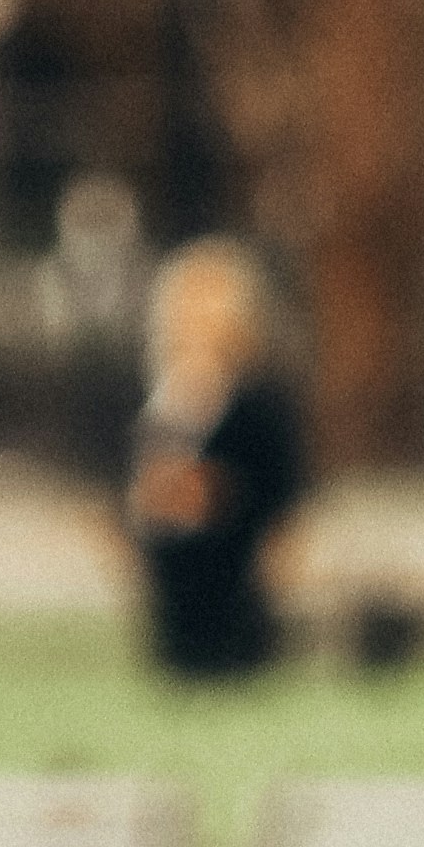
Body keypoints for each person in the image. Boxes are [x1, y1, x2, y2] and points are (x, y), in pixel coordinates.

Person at [126, 240, 310, 681]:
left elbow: (283, 507)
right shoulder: (158, 407)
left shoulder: (260, 411)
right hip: (172, 612)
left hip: (238, 610)